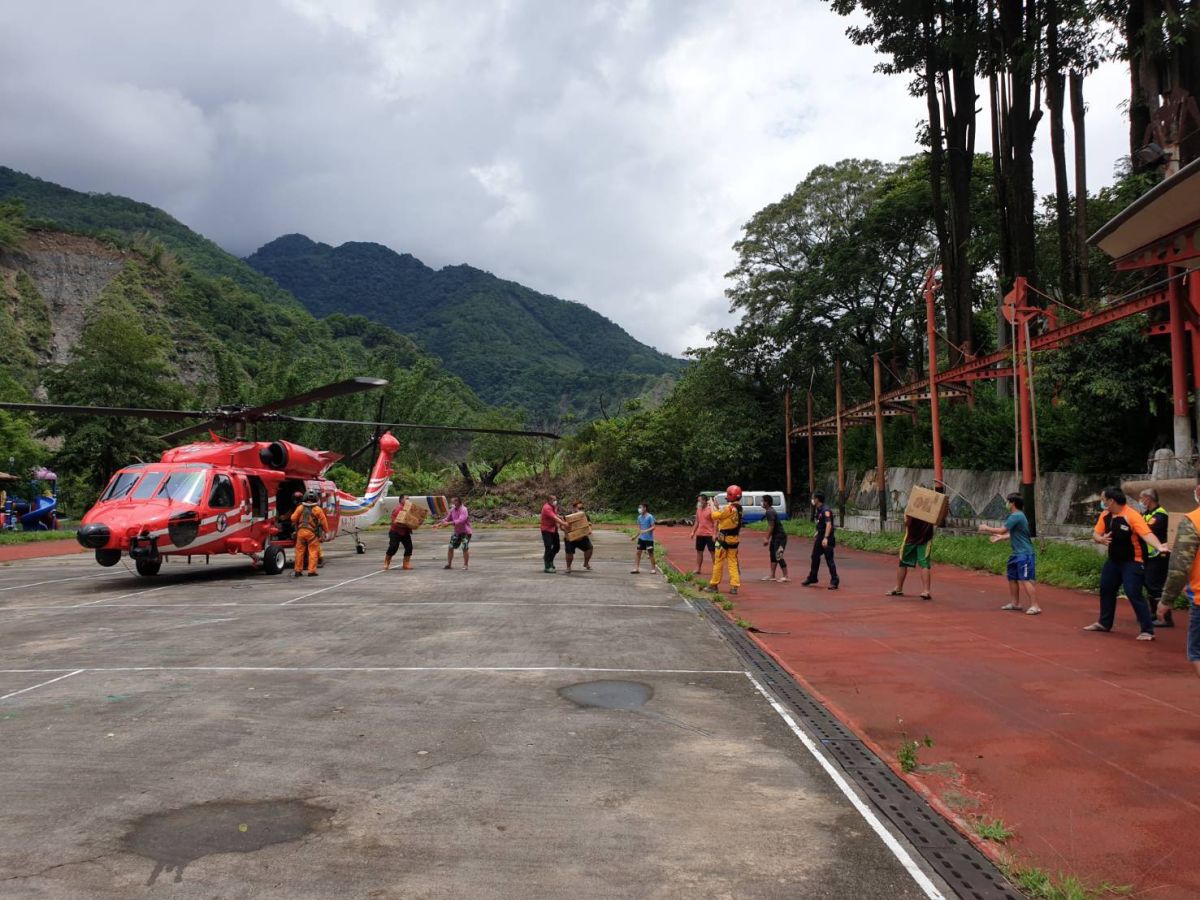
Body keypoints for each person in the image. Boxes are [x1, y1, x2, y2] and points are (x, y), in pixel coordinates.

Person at [1084, 486, 1167, 640]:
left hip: (1133, 561)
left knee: (1133, 592)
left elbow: (1147, 534)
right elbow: (1096, 533)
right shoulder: (1106, 515)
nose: (1101, 502)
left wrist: (1159, 546)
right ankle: (1104, 623)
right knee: (1106, 588)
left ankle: (1147, 630)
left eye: (1103, 499)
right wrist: (1100, 539)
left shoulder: (1132, 516)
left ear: (1111, 501)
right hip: (1113, 561)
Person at [1157, 473, 1200, 678]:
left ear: (1198, 491)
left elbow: (1180, 566)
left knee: (1197, 653)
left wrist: (1167, 599)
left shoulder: (1193, 521)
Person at [978, 493, 1041, 614]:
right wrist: (1001, 538)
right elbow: (1016, 533)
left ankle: (1035, 605)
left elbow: (1002, 529)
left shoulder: (1016, 516)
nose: (1006, 504)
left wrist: (986, 527)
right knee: (1012, 578)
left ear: (1013, 503)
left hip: (1025, 554)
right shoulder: (1017, 516)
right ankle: (1015, 603)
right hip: (1016, 553)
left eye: (1008, 501)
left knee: (1025, 579)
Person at [1139, 488, 1173, 628]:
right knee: (1149, 584)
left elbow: (1146, 530)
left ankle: (1165, 618)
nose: (1141, 501)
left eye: (1142, 498)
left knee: (1155, 585)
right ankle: (1154, 613)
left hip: (1159, 555)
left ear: (1149, 498)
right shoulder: (1147, 513)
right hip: (1149, 555)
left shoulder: (1160, 515)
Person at [703, 485, 743, 595]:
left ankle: (714, 585)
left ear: (731, 495)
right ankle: (734, 586)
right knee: (732, 563)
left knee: (718, 562)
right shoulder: (739, 508)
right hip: (734, 539)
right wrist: (718, 506)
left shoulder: (729, 508)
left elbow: (714, 516)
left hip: (723, 539)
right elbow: (725, 516)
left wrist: (712, 506)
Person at [890, 514, 935, 600]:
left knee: (924, 563)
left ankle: (926, 591)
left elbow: (939, 519)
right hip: (911, 538)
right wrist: (909, 517)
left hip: (925, 538)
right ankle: (898, 588)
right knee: (902, 562)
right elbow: (907, 523)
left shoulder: (931, 506)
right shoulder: (911, 507)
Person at [802, 491, 838, 590]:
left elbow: (829, 524)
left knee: (829, 559)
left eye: (813, 498)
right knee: (814, 557)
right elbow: (821, 524)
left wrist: (826, 538)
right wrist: (818, 532)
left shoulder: (826, 510)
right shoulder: (819, 510)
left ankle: (834, 581)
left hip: (827, 538)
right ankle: (813, 577)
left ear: (817, 499)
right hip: (820, 537)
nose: (812, 500)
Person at [290, 490, 328, 577]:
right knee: (313, 552)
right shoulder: (318, 509)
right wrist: (326, 531)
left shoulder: (300, 508)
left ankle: (298, 570)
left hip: (301, 533)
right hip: (312, 534)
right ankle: (311, 571)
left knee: (299, 552)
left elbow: (293, 518)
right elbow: (323, 522)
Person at [434, 496, 471, 570]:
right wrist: (439, 524)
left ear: (458, 502)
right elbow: (447, 519)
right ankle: (449, 564)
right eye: (452, 502)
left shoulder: (464, 509)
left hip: (465, 532)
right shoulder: (453, 510)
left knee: (464, 548)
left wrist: (449, 523)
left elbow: (461, 521)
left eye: (454, 502)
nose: (452, 503)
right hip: (457, 532)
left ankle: (465, 565)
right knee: (450, 547)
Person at [760, 494, 789, 582]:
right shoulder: (769, 511)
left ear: (767, 502)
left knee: (778, 555)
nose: (761, 503)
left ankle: (785, 576)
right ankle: (772, 575)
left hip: (780, 537)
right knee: (772, 554)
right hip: (775, 537)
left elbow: (771, 526)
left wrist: (766, 538)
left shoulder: (770, 512)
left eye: (763, 501)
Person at [563, 500, 594, 574]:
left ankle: (586, 563)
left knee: (589, 548)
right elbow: (562, 526)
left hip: (582, 537)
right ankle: (568, 567)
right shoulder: (568, 516)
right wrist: (565, 530)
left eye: (582, 508)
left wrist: (589, 530)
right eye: (579, 508)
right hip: (570, 538)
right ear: (574, 508)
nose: (581, 510)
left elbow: (589, 524)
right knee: (569, 553)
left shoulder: (585, 515)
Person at [384, 495, 414, 571]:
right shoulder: (397, 509)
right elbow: (394, 522)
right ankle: (386, 562)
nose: (408, 500)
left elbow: (414, 519)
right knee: (393, 547)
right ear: (401, 500)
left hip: (405, 532)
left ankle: (406, 564)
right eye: (406, 499)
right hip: (395, 531)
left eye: (409, 499)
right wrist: (405, 524)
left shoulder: (410, 509)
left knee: (409, 547)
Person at [540, 494, 568, 573]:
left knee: (557, 547)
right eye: (553, 500)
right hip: (546, 530)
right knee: (548, 547)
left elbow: (555, 515)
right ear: (549, 500)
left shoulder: (554, 507)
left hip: (554, 529)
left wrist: (560, 517)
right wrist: (563, 523)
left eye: (556, 499)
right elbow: (554, 517)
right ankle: (547, 566)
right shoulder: (546, 508)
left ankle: (549, 559)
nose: (555, 501)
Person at [690, 494, 716, 576]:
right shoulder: (698, 510)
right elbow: (697, 522)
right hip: (700, 534)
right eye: (698, 501)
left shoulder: (711, 510)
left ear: (705, 501)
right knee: (699, 551)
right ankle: (698, 568)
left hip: (709, 534)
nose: (698, 502)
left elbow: (715, 522)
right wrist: (693, 532)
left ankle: (716, 569)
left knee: (712, 552)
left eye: (700, 500)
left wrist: (714, 534)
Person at [630, 502, 656, 573]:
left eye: (641, 507)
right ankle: (636, 568)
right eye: (639, 508)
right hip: (641, 539)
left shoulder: (650, 516)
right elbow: (640, 529)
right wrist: (635, 536)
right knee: (638, 553)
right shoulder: (639, 517)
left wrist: (646, 530)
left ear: (645, 508)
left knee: (650, 553)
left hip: (649, 539)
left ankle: (653, 569)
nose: (639, 509)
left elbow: (653, 527)